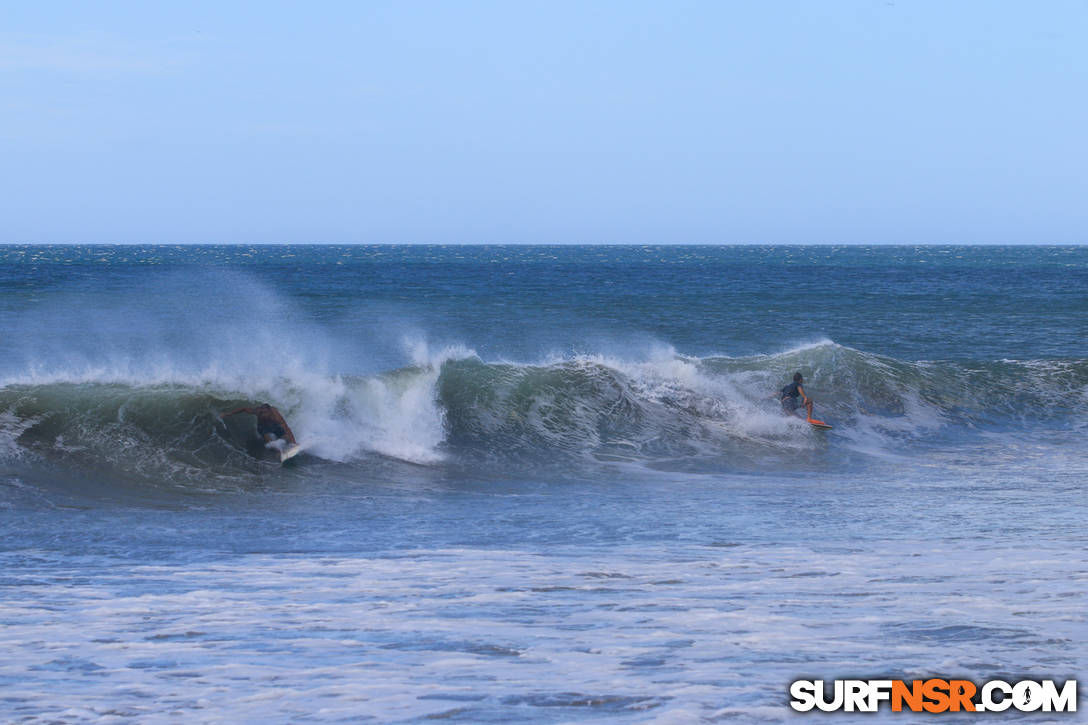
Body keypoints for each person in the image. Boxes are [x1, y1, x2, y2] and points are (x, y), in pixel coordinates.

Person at [220, 403, 297, 445]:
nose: (263, 414)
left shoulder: (276, 416)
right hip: (262, 427)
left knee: (286, 436)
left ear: (270, 411)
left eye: (265, 412)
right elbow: (243, 409)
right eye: (262, 412)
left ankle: (291, 446)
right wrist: (228, 413)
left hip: (274, 424)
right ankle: (278, 452)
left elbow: (287, 428)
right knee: (269, 441)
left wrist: (294, 442)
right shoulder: (258, 411)